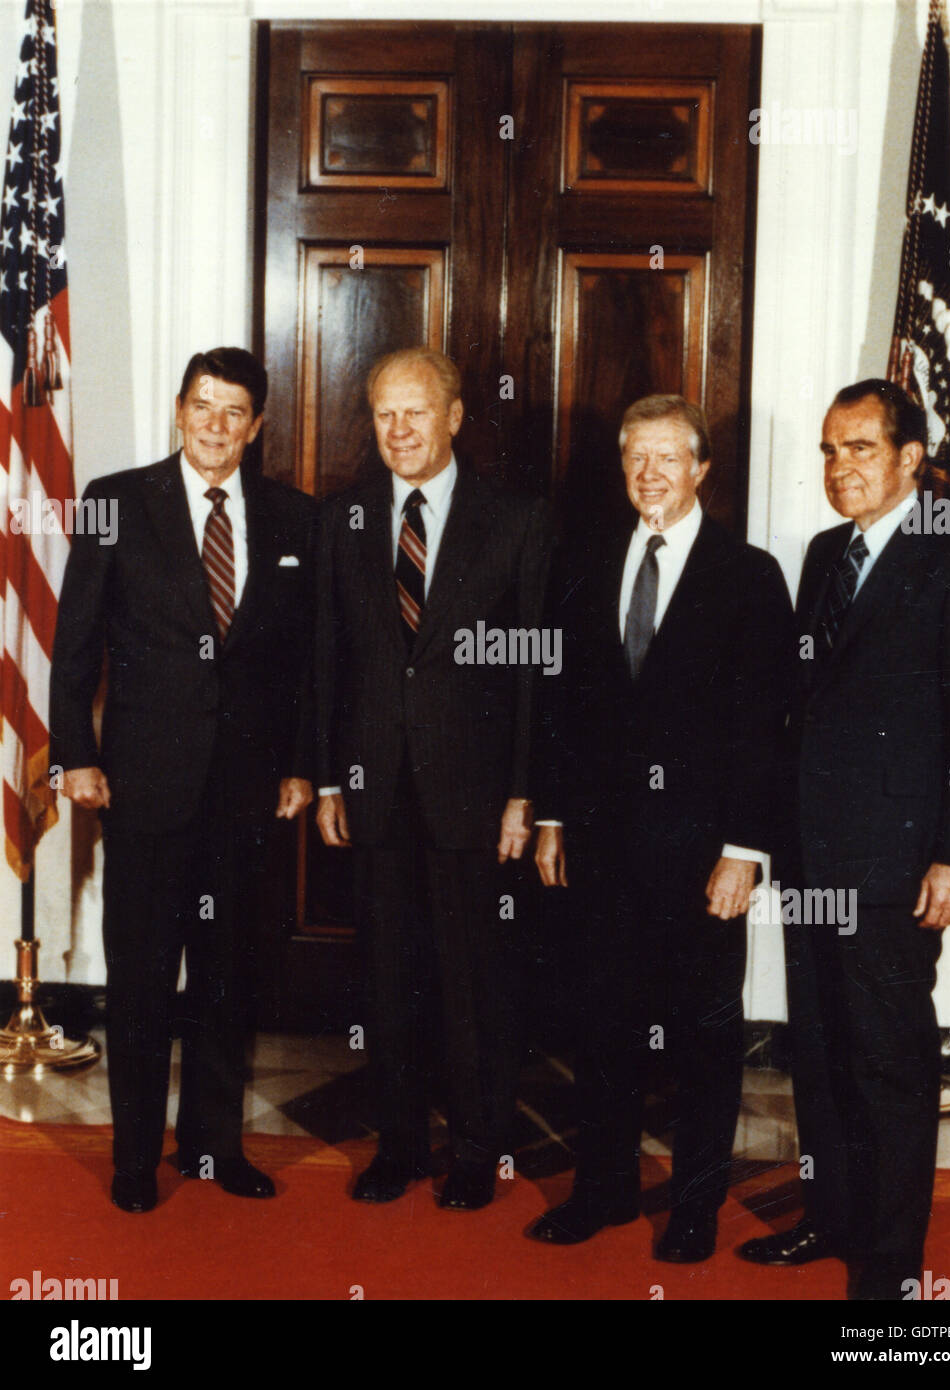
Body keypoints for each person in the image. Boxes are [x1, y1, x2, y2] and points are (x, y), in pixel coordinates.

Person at [736, 379, 950, 1299]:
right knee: (817, 1048)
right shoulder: (823, 556)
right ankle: (830, 1217)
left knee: (889, 1063)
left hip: (898, 861)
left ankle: (890, 1267)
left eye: (859, 449)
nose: (839, 467)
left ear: (909, 459)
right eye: (828, 450)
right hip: (813, 853)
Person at [50, 348, 317, 1212]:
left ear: (257, 426)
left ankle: (215, 1150)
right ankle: (135, 1162)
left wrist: (303, 765)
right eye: (203, 405)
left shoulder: (292, 520)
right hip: (144, 790)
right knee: (140, 980)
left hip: (244, 795)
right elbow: (74, 646)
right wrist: (75, 756)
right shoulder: (115, 503)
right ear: (178, 409)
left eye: (234, 411)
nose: (215, 424)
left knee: (227, 978)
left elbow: (307, 663)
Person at [529, 394, 794, 1260]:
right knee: (601, 1025)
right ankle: (601, 1192)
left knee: (704, 1039)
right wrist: (556, 815)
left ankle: (693, 1208)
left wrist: (744, 851)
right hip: (602, 848)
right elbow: (561, 705)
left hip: (702, 857)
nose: (649, 475)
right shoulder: (587, 559)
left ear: (702, 470)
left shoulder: (749, 576)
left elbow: (766, 726)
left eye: (667, 458)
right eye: (635, 458)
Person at [315, 346, 552, 1210]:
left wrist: (526, 792)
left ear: (455, 417)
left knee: (472, 983)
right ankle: (400, 1145)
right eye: (384, 413)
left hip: (475, 796)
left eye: (416, 411)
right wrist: (331, 781)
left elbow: (535, 667)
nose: (399, 429)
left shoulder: (518, 519)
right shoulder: (342, 519)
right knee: (386, 979)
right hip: (374, 787)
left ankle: (476, 1150)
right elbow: (326, 659)